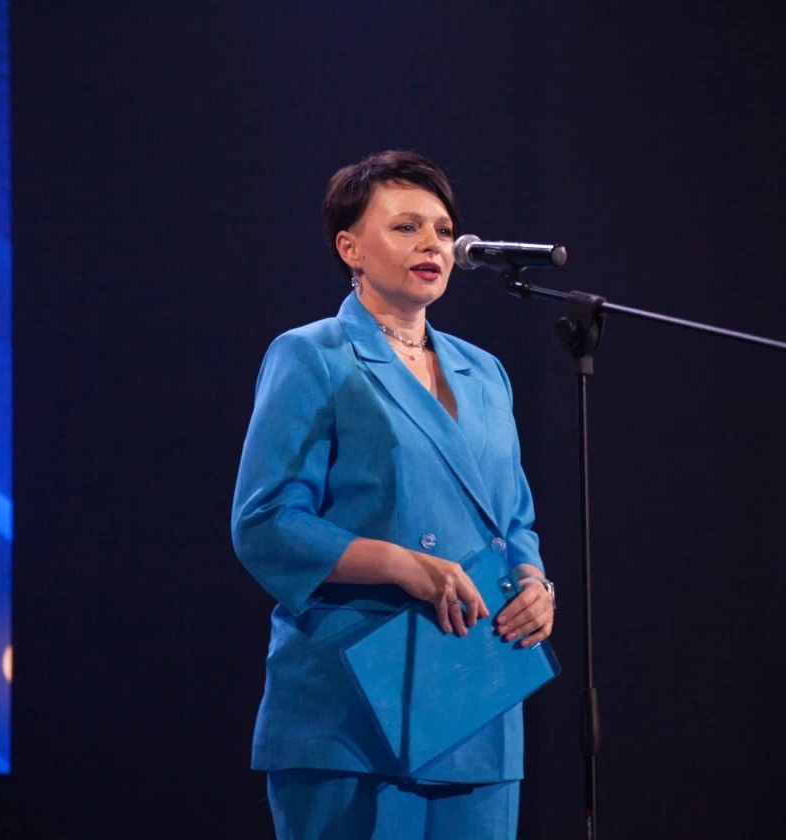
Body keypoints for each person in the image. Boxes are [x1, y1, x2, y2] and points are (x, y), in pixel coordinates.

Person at [231, 150, 555, 840]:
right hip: (352, 699)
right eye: (406, 227)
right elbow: (267, 521)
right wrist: (403, 564)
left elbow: (514, 519)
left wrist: (533, 581)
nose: (432, 243)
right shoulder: (312, 354)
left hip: (477, 690)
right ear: (349, 248)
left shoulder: (485, 372)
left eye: (443, 230)